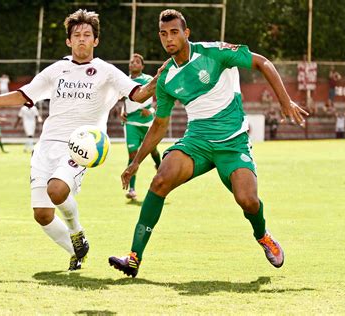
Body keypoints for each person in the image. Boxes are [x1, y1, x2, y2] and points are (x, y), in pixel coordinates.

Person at [109, 9, 308, 277]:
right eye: (164, 34)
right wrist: (134, 163)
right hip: (197, 142)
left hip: (233, 142)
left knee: (248, 200)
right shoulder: (167, 76)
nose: (169, 39)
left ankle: (262, 235)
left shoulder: (214, 52)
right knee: (159, 182)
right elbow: (159, 124)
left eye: (175, 32)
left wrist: (285, 102)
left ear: (186, 33)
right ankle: (133, 257)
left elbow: (263, 63)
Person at [0, 9, 162, 271]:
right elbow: (24, 95)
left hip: (82, 144)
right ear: (68, 41)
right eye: (76, 35)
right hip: (47, 146)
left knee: (57, 190)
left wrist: (159, 79)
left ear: (95, 41)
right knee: (42, 215)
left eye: (87, 35)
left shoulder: (107, 72)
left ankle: (77, 231)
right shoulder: (56, 70)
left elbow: (138, 95)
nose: (81, 39)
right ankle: (76, 250)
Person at [120, 53, 161, 200]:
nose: (134, 64)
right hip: (131, 123)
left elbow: (160, 98)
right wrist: (122, 112)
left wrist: (150, 110)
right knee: (133, 154)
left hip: (147, 123)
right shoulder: (124, 81)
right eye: (132, 62)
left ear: (142, 66)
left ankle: (160, 167)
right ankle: (131, 189)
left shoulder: (149, 80)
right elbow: (122, 100)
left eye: (137, 62)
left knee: (153, 150)